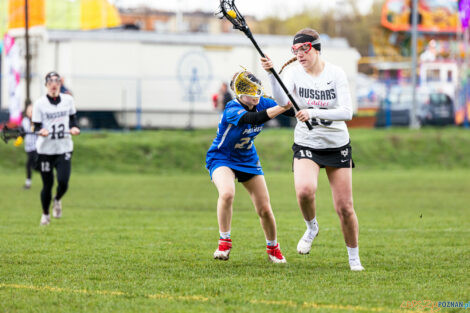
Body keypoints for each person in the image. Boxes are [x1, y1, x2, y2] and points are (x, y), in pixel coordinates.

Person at [260, 28, 364, 271]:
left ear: (316, 49)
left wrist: (313, 112)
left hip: (336, 145)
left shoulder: (336, 74)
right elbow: (282, 102)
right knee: (305, 191)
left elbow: (347, 112)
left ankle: (353, 257)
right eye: (295, 51)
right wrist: (271, 74)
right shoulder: (294, 73)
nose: (299, 55)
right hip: (307, 143)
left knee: (345, 208)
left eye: (304, 49)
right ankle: (311, 227)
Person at [206, 70, 292, 263]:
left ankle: (273, 249)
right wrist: (284, 106)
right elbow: (254, 119)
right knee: (227, 193)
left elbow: (291, 109)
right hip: (222, 157)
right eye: (250, 93)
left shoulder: (262, 101)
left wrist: (295, 104)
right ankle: (224, 243)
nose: (255, 97)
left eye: (257, 91)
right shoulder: (231, 108)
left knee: (264, 209)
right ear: (239, 94)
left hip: (247, 158)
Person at [32, 71, 80, 226]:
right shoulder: (39, 104)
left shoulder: (68, 100)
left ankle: (57, 199)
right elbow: (36, 126)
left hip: (64, 147)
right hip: (46, 150)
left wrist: (74, 128)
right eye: (50, 81)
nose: (53, 84)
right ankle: (45, 214)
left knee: (63, 181)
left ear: (60, 84)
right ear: (46, 84)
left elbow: (73, 119)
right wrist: (41, 130)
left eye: (56, 81)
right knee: (48, 184)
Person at [21, 103, 38, 189]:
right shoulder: (24, 121)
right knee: (34, 166)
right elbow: (23, 132)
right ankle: (49, 172)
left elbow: (35, 130)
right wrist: (19, 138)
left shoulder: (37, 121)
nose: (30, 112)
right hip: (28, 147)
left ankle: (28, 183)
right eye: (29, 110)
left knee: (30, 165)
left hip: (36, 147)